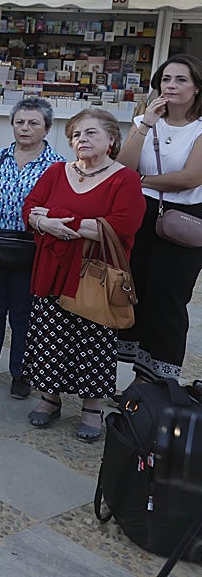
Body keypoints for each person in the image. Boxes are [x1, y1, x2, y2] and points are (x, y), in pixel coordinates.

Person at [22, 109, 144, 442]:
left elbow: (121, 226)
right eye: (76, 134)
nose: (82, 139)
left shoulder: (125, 179)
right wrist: (42, 221)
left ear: (111, 139)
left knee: (93, 340)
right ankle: (50, 397)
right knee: (49, 337)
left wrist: (58, 219)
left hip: (94, 274)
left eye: (90, 133)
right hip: (52, 268)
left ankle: (92, 406)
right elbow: (30, 207)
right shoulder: (56, 171)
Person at [0, 98, 64, 399]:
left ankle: (22, 371)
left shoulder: (58, 166)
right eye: (20, 122)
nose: (25, 128)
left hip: (32, 252)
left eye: (33, 123)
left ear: (47, 127)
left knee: (25, 314)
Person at [116, 54, 202, 384]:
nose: (172, 86)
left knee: (168, 299)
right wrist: (147, 123)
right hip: (140, 213)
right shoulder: (145, 121)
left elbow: (190, 177)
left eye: (181, 79)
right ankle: (133, 377)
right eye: (166, 79)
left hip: (183, 220)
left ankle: (154, 382)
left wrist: (141, 181)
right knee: (134, 290)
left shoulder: (199, 128)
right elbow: (123, 166)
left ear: (196, 88)